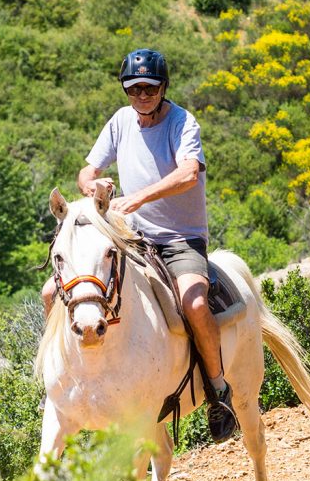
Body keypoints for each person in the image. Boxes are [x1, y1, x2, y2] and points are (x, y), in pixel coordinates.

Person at [41, 48, 237, 444]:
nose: (142, 96)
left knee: (195, 304)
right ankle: (63, 380)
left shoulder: (183, 123)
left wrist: (137, 199)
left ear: (163, 88)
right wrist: (91, 186)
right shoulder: (120, 121)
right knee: (52, 292)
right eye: (134, 89)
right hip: (135, 238)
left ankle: (218, 391)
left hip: (180, 239)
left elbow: (187, 174)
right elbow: (87, 170)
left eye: (149, 88)